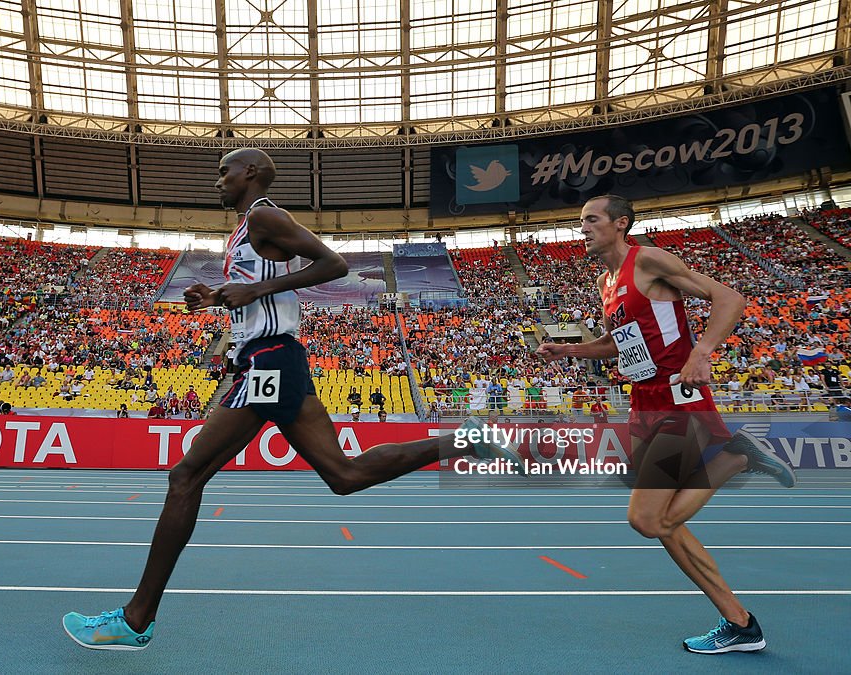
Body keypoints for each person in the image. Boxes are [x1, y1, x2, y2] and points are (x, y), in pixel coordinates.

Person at [63, 147, 504, 651]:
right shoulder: (245, 229)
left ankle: (136, 619)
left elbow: (333, 263)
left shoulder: (267, 215)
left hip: (269, 359)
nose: (218, 182)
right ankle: (463, 441)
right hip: (273, 358)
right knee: (345, 476)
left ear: (249, 172)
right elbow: (260, 292)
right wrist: (218, 296)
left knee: (186, 476)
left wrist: (256, 291)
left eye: (224, 172)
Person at [537, 194, 796, 655]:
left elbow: (730, 298)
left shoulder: (649, 260)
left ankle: (736, 457)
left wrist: (701, 352)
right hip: (644, 404)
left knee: (646, 518)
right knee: (662, 525)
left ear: (621, 223)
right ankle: (739, 623)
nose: (582, 228)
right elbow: (621, 345)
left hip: (678, 397)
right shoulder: (606, 281)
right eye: (580, 221)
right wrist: (571, 351)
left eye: (591, 220)